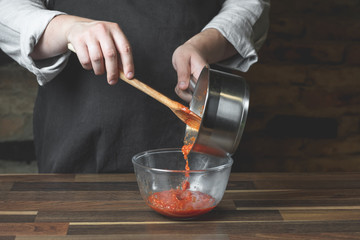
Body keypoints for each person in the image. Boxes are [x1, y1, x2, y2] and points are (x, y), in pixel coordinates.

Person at [0, 0, 270, 173]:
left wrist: (203, 45)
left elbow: (250, 4)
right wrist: (67, 27)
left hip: (203, 135)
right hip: (78, 142)